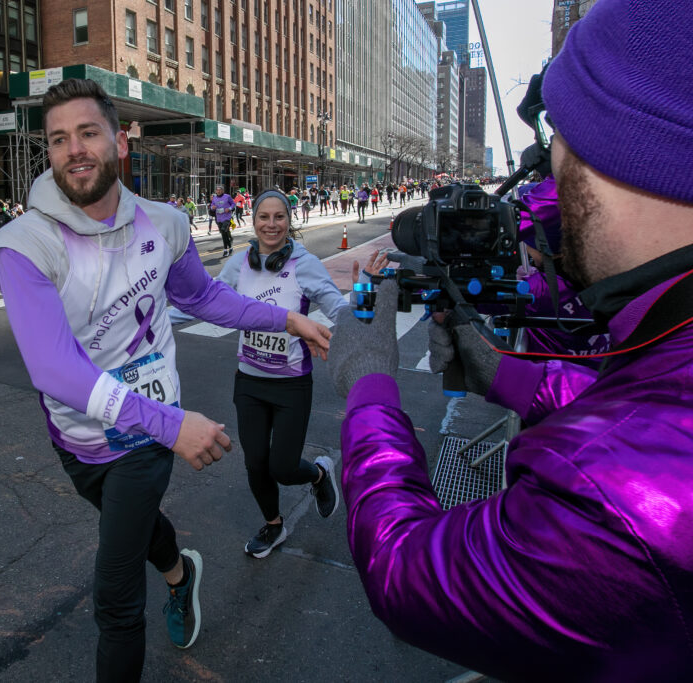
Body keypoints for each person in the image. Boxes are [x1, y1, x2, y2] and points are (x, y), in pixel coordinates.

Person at [326, 0, 693, 677]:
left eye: (559, 135)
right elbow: (643, 403)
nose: (549, 168)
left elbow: (405, 569)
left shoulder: (615, 494)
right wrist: (504, 373)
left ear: (630, 149)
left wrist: (369, 381)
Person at [0, 78, 331, 683]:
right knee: (137, 528)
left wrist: (289, 317)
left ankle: (163, 591)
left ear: (121, 141)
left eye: (88, 133)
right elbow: (53, 369)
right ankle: (180, 574)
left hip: (146, 436)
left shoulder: (165, 224)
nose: (75, 149)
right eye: (59, 138)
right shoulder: (24, 244)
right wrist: (176, 426)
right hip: (79, 437)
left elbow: (204, 298)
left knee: (114, 597)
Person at [217, 189, 346, 557]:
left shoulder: (303, 263)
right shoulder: (239, 264)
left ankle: (319, 475)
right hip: (249, 382)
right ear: (253, 220)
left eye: (279, 217)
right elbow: (206, 299)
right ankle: (275, 526)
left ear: (290, 221)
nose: (271, 225)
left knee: (284, 467)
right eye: (263, 217)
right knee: (255, 463)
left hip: (291, 386)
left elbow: (334, 303)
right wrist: (150, 322)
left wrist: (358, 329)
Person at [209, 184, 236, 256]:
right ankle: (230, 247)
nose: (218, 191)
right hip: (219, 218)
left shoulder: (227, 196)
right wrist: (212, 207)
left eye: (220, 190)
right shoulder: (214, 198)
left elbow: (233, 204)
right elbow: (211, 206)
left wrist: (229, 209)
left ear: (222, 190)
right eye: (217, 190)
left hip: (227, 218)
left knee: (224, 231)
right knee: (223, 234)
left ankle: (225, 250)